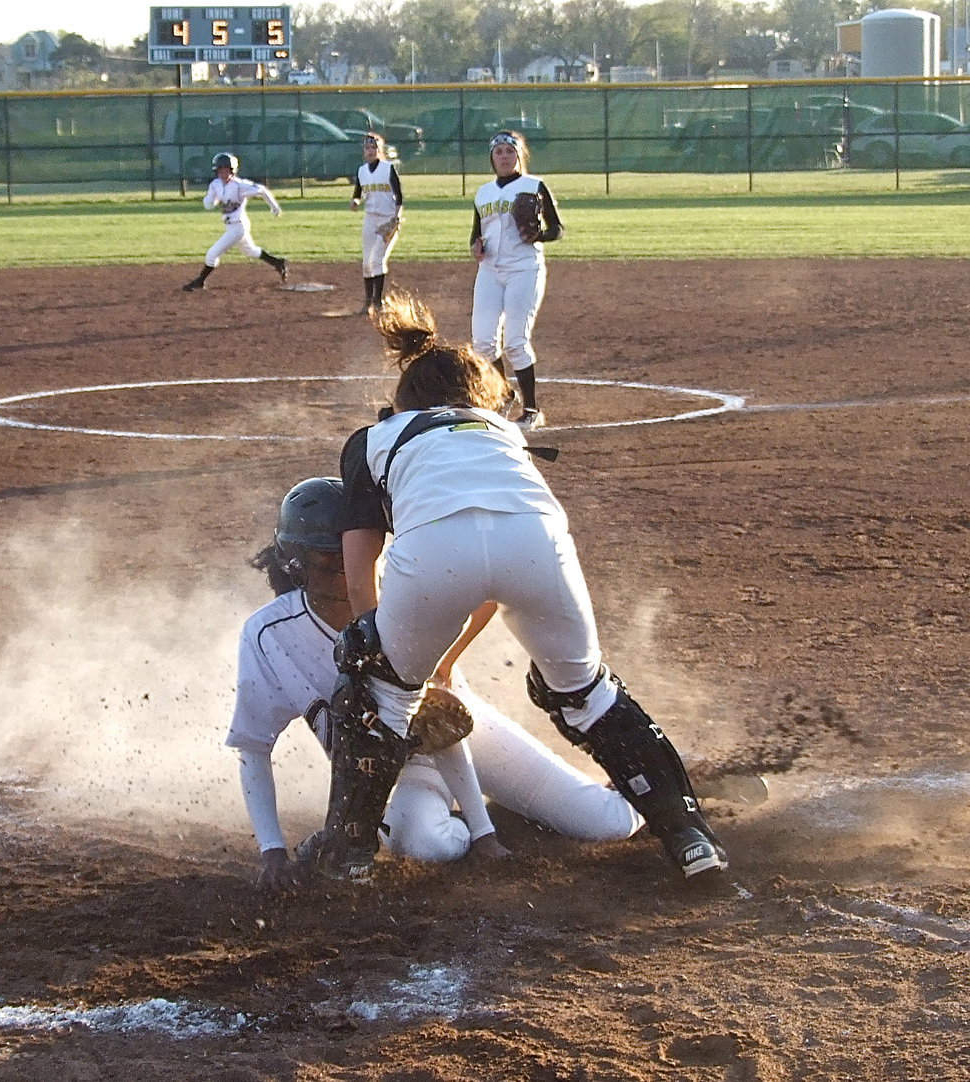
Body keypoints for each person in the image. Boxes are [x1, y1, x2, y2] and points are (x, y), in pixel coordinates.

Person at [306, 291, 728, 886]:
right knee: (587, 694)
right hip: (539, 540)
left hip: (436, 552)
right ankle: (690, 838)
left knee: (376, 694)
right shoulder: (501, 430)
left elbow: (362, 547)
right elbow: (490, 565)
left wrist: (370, 641)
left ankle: (348, 857)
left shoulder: (375, 437)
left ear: (404, 398)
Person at [226, 476, 643, 891]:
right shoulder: (268, 635)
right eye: (330, 554)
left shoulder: (399, 596)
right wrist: (272, 852)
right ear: (295, 560)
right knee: (426, 844)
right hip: (401, 774)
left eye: (353, 549)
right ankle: (455, 816)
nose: (346, 562)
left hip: (468, 735)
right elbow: (253, 746)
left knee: (609, 823)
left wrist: (484, 834)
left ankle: (651, 779)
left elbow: (443, 723)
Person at [470, 130, 563, 431]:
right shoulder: (483, 193)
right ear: (492, 157)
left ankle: (532, 410)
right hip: (490, 271)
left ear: (519, 155)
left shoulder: (533, 185)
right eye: (498, 152)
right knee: (483, 343)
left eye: (510, 151)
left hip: (524, 269)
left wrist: (539, 235)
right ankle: (503, 395)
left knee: (515, 342)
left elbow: (557, 229)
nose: (504, 156)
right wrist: (475, 246)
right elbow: (476, 233)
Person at [181, 152, 289, 292]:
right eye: (220, 169)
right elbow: (210, 202)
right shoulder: (215, 184)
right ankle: (278, 262)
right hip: (230, 226)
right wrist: (209, 201)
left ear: (233, 170)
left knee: (212, 254)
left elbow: (262, 190)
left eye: (226, 169)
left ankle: (200, 281)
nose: (223, 173)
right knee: (250, 251)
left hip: (239, 226)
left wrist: (274, 207)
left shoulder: (239, 185)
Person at [350, 132, 403, 314]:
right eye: (367, 148)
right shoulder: (362, 171)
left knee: (378, 260)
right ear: (364, 151)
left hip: (387, 219)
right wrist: (355, 201)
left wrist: (396, 218)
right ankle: (368, 302)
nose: (370, 151)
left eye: (374, 147)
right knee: (367, 262)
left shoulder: (388, 169)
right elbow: (358, 193)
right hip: (370, 219)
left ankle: (378, 303)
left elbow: (399, 197)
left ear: (380, 150)